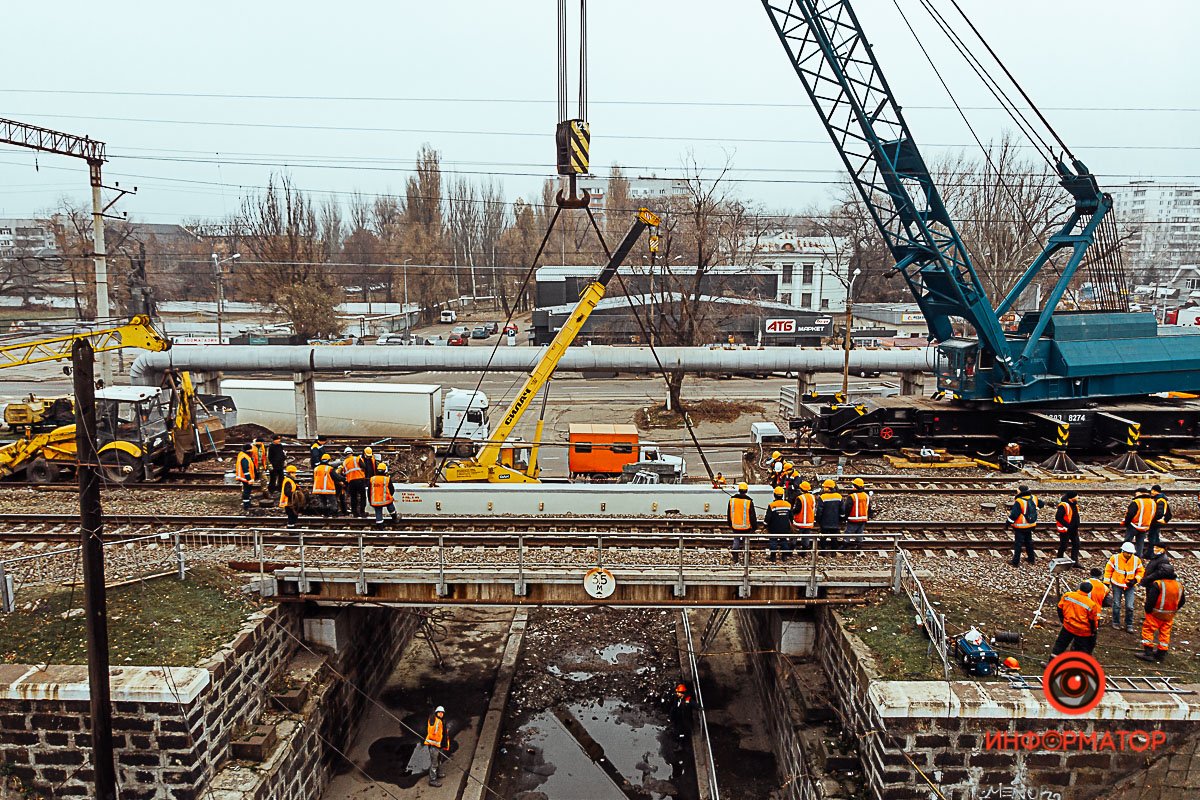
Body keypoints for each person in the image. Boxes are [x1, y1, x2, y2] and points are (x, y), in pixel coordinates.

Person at [1137, 565, 1186, 662]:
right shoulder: (1179, 585)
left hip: (1155, 613)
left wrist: (1148, 610)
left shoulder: (1158, 584)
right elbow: (1182, 601)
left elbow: (1151, 600)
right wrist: (1174, 610)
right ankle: (1161, 653)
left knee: (1148, 630)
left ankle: (1148, 653)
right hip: (1169, 614)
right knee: (1165, 633)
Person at [1104, 542, 1145, 633]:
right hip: (1117, 584)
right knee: (1116, 604)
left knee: (1130, 606)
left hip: (1129, 586)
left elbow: (1141, 571)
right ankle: (1116, 622)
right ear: (1123, 551)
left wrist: (1135, 580)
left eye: (1131, 553)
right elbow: (1108, 570)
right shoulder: (1115, 558)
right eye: (1128, 553)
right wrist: (1106, 583)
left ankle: (1129, 624)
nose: (1130, 555)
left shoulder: (1136, 560)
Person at [1051, 581, 1100, 656]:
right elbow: (1092, 620)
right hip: (1082, 631)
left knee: (1060, 645)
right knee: (1080, 649)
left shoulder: (1068, 595)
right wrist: (1093, 631)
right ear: (1090, 591)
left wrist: (1062, 619)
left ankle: (1051, 663)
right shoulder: (1091, 604)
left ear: (1079, 587)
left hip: (1068, 626)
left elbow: (1059, 608)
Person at [1007, 486, 1039, 567]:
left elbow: (1014, 515)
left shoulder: (1019, 501)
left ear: (1020, 492)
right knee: (1029, 542)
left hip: (1020, 526)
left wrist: (1008, 523)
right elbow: (1041, 504)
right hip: (1031, 524)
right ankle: (1031, 559)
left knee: (1018, 544)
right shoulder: (1034, 498)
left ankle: (1015, 562)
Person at [1122, 487, 1156, 558]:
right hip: (1145, 526)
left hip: (1134, 525)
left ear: (1140, 493)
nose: (1135, 495)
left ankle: (1125, 555)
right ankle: (1138, 557)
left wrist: (1126, 523)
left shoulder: (1137, 502)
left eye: (1136, 493)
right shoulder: (1153, 502)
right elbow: (1154, 514)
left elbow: (1130, 514)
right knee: (1140, 543)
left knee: (1127, 541)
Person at [727, 482, 756, 562]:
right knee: (746, 542)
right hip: (746, 527)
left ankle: (735, 557)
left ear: (739, 490)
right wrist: (754, 527)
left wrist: (730, 524)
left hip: (735, 526)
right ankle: (746, 558)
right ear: (746, 490)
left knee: (736, 541)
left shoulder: (732, 500)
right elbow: (752, 516)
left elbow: (729, 513)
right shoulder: (748, 502)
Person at [423, 705, 451, 787]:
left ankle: (438, 773)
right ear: (436, 713)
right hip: (434, 746)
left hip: (439, 745)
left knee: (439, 760)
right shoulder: (433, 720)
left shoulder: (441, 721)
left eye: (442, 713)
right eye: (439, 712)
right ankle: (432, 780)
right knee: (434, 763)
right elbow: (432, 731)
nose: (441, 714)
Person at [764, 486, 793, 563]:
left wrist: (765, 525)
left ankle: (773, 557)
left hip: (774, 528)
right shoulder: (788, 505)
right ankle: (784, 556)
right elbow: (791, 517)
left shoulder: (772, 505)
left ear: (774, 495)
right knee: (784, 541)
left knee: (773, 541)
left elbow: (768, 518)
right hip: (785, 528)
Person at [815, 479, 844, 555]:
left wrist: (818, 520)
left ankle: (823, 552)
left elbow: (819, 511)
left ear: (828, 488)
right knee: (834, 538)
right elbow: (842, 510)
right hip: (835, 522)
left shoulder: (823, 497)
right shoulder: (839, 496)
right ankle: (833, 552)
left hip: (824, 522)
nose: (823, 488)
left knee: (823, 537)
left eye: (824, 487)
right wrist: (841, 519)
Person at [842, 477, 871, 550]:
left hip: (853, 518)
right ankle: (859, 546)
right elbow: (869, 507)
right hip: (863, 518)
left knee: (848, 532)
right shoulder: (866, 496)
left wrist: (845, 517)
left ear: (855, 487)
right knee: (860, 532)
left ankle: (845, 545)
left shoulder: (852, 496)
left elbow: (847, 508)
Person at [340, 446, 367, 518]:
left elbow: (344, 473)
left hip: (351, 482)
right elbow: (364, 466)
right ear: (352, 452)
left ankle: (355, 513)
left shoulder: (344, 462)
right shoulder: (357, 458)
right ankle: (362, 512)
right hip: (360, 480)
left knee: (353, 497)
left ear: (345, 454)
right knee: (363, 496)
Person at [1054, 492, 1081, 565]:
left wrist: (1076, 524)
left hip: (1073, 529)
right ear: (1071, 498)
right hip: (1066, 529)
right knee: (1063, 546)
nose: (1078, 497)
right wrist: (1068, 525)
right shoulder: (1063, 505)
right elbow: (1058, 517)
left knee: (1076, 544)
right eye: (1076, 496)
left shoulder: (1074, 504)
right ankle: (1059, 559)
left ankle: (1075, 562)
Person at [791, 480, 816, 554]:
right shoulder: (812, 497)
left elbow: (796, 509)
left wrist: (792, 512)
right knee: (806, 538)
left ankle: (790, 551)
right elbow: (813, 508)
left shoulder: (800, 498)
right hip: (809, 522)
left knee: (794, 537)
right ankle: (804, 552)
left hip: (799, 522)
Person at [1148, 485, 1172, 558]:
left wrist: (1153, 519)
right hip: (1157, 522)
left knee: (1153, 537)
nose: (1151, 492)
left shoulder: (1160, 500)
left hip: (1156, 522)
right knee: (1155, 537)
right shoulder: (1159, 499)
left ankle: (1152, 554)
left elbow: (1159, 513)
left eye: (1152, 490)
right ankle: (1155, 553)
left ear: (1155, 491)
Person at [312, 453, 339, 517]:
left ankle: (325, 514)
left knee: (323, 502)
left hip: (318, 489)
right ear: (328, 460)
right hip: (328, 488)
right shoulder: (329, 468)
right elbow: (336, 477)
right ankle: (334, 514)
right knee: (333, 502)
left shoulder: (316, 468)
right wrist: (344, 479)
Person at [234, 443, 256, 513]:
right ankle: (246, 505)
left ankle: (248, 503)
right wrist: (249, 479)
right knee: (247, 491)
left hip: (245, 477)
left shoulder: (243, 455)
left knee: (247, 490)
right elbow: (245, 470)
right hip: (245, 478)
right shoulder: (244, 457)